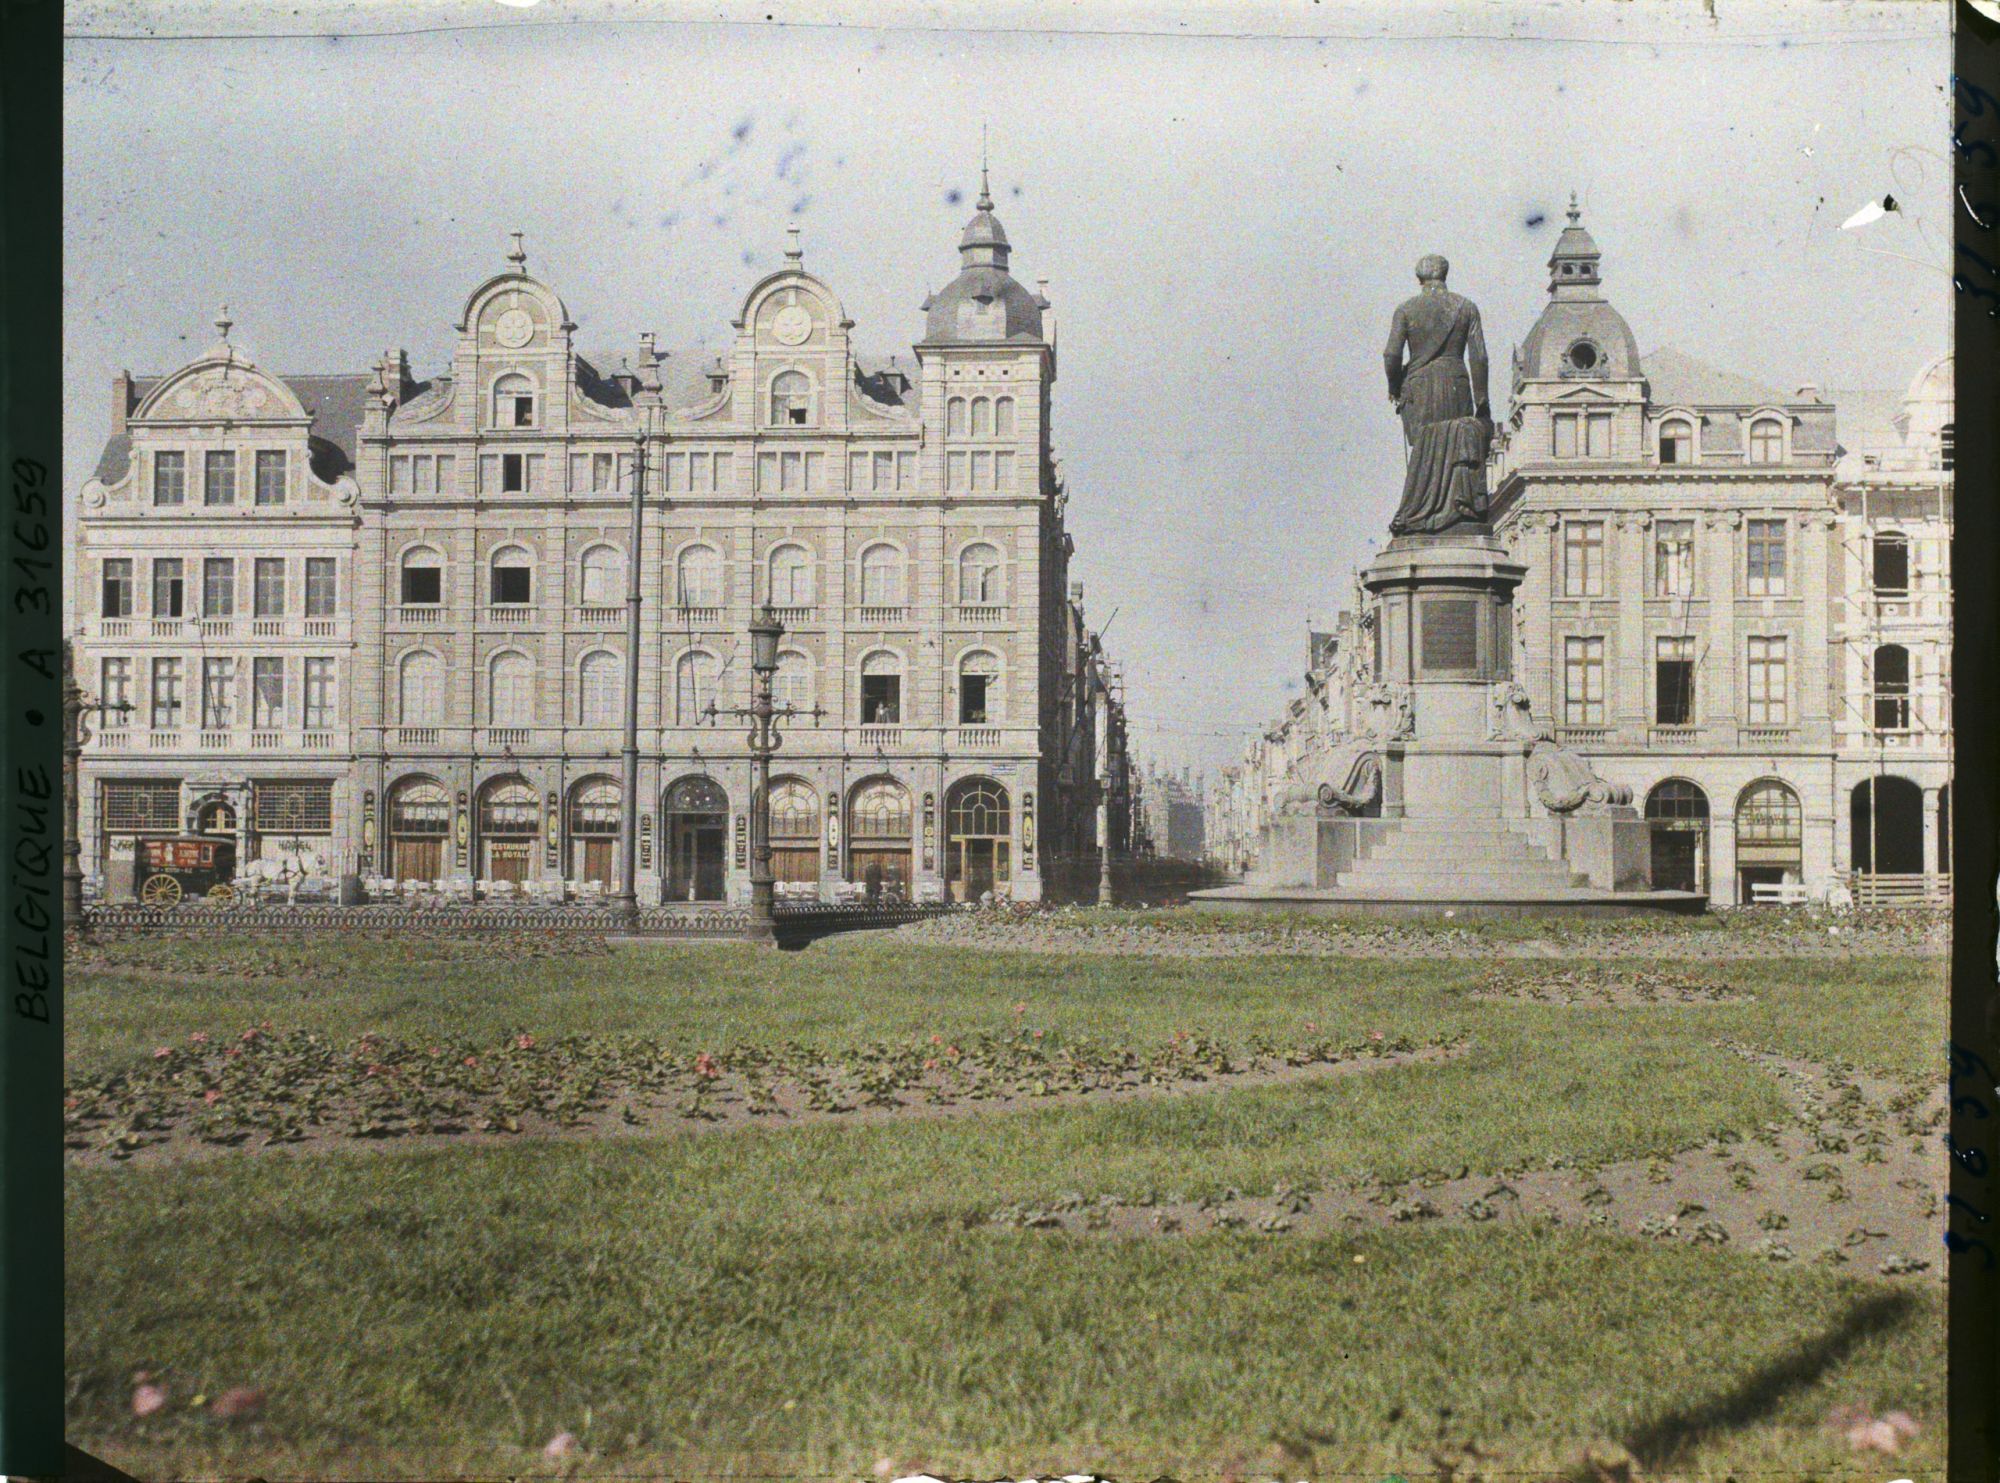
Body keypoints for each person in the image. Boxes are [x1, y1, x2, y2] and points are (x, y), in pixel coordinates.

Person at [1382, 253, 1493, 535]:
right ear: (1445, 275)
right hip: (1456, 382)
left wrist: (1394, 387)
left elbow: (1391, 354)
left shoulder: (1406, 309)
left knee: (1424, 449)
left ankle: (1419, 511)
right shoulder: (1466, 307)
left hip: (1420, 387)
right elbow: (1479, 357)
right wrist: (1482, 401)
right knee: (1456, 444)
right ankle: (1455, 511)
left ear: (1419, 278)